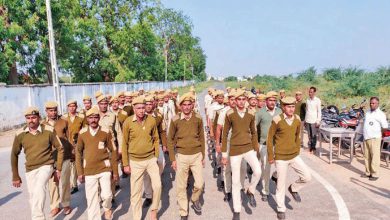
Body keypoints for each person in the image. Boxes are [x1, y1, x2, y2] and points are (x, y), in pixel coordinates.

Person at [11, 106, 64, 220]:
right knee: (33, 196)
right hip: (30, 169)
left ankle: (38, 218)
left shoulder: (48, 130)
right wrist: (15, 175)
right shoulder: (20, 134)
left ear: (39, 117)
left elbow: (60, 148)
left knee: (39, 189)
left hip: (46, 165)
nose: (31, 120)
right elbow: (14, 154)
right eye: (28, 118)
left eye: (33, 117)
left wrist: (58, 168)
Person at [267, 96, 312, 220]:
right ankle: (281, 209)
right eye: (289, 107)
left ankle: (293, 188)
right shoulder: (277, 120)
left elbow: (298, 135)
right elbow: (270, 139)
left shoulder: (297, 119)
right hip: (281, 157)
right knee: (280, 185)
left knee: (307, 176)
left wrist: (297, 149)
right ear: (283, 107)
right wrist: (271, 156)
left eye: (293, 107)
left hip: (294, 155)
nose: (291, 109)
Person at [221, 89, 261, 220]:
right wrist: (224, 154)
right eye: (239, 100)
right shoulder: (229, 114)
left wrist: (256, 149)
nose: (242, 102)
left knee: (258, 171)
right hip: (235, 151)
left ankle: (250, 190)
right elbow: (225, 134)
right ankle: (237, 210)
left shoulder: (251, 113)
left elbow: (254, 132)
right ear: (235, 101)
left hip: (249, 148)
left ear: (246, 100)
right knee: (236, 181)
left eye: (244, 99)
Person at [122, 96, 161, 220]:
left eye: (143, 108)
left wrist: (155, 156)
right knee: (136, 192)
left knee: (158, 186)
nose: (141, 110)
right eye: (138, 108)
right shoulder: (128, 122)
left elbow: (156, 139)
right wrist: (125, 164)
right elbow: (124, 144)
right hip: (135, 161)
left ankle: (154, 210)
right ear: (133, 108)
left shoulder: (151, 120)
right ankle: (137, 217)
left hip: (150, 159)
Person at [76, 107, 119, 220]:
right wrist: (80, 172)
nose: (93, 120)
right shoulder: (82, 133)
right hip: (89, 170)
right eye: (91, 118)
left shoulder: (105, 131)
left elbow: (113, 151)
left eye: (95, 117)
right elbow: (78, 153)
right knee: (92, 199)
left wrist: (115, 171)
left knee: (107, 195)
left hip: (104, 168)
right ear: (87, 119)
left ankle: (107, 208)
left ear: (99, 118)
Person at [168, 92, 205, 220]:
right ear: (180, 106)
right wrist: (172, 159)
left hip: (196, 155)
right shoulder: (175, 120)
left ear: (193, 105)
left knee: (199, 184)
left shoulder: (198, 118)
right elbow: (170, 140)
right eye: (184, 105)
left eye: (189, 104)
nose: (187, 107)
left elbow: (202, 138)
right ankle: (184, 212)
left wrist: (203, 155)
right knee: (181, 186)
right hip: (181, 156)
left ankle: (195, 199)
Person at [41, 101, 73, 217]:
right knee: (52, 183)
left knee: (65, 181)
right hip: (49, 158)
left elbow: (69, 138)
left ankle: (66, 203)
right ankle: (55, 206)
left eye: (55, 110)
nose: (53, 112)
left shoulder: (64, 121)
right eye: (50, 110)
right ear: (46, 111)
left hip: (64, 156)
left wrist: (71, 153)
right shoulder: (43, 124)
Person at [215, 91, 247, 202]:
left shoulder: (244, 112)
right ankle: (228, 191)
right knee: (227, 168)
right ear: (229, 100)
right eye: (232, 99)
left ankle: (241, 188)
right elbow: (219, 129)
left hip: (241, 144)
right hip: (227, 143)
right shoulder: (224, 112)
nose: (234, 101)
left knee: (243, 167)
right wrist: (218, 144)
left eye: (236, 99)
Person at [255, 91, 282, 202]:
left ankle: (275, 176)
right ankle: (265, 191)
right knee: (266, 168)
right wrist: (255, 143)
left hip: (278, 144)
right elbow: (254, 128)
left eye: (274, 100)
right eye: (270, 100)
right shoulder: (260, 112)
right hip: (264, 144)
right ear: (266, 101)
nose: (272, 102)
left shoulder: (280, 111)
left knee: (282, 167)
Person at [143, 95, 168, 208]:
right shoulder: (140, 117)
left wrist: (165, 145)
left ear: (154, 104)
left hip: (157, 145)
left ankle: (156, 180)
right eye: (146, 104)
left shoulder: (159, 116)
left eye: (150, 104)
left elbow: (162, 131)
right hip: (145, 147)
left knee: (161, 163)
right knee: (146, 173)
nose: (148, 106)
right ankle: (148, 195)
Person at [363, 97, 388, 181]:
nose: (371, 104)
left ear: (378, 104)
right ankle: (368, 172)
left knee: (375, 156)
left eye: (373, 103)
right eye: (370, 103)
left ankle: (375, 174)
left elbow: (385, 127)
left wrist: (378, 133)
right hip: (366, 137)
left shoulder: (380, 114)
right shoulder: (368, 113)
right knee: (367, 156)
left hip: (375, 138)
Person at [63, 100, 85, 195]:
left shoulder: (81, 118)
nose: (72, 108)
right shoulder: (64, 118)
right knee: (72, 164)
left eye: (74, 106)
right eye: (70, 106)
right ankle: (74, 184)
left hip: (79, 143)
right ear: (68, 107)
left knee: (80, 161)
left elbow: (84, 129)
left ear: (76, 107)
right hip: (68, 144)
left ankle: (84, 177)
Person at [305, 87, 321, 153]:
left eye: (311, 92)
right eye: (309, 92)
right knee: (309, 135)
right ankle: (310, 147)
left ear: (314, 92)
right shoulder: (307, 100)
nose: (310, 93)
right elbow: (307, 110)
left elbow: (319, 111)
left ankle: (313, 148)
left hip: (314, 120)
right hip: (308, 119)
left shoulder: (317, 100)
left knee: (314, 135)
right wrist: (305, 120)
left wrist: (318, 121)